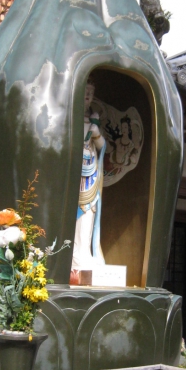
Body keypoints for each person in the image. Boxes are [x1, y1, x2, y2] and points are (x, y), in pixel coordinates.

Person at [71, 78, 106, 272]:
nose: (87, 96)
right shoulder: (72, 118)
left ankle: (85, 253)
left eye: (91, 93)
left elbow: (102, 147)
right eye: (85, 92)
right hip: (76, 171)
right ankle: (76, 256)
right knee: (75, 215)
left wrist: (96, 135)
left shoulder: (94, 119)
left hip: (91, 171)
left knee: (89, 212)